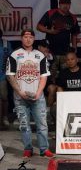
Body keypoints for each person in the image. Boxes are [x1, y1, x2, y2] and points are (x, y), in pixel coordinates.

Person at [6, 29, 54, 158]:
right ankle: (28, 148)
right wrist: (20, 92)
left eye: (31, 37)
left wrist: (39, 93)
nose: (28, 39)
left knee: (42, 124)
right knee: (24, 125)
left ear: (33, 39)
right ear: (22, 38)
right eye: (25, 37)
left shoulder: (40, 55)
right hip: (20, 97)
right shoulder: (14, 55)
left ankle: (44, 149)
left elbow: (44, 76)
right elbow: (10, 76)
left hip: (37, 97)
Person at [37, 0, 80, 72]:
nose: (65, 6)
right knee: (51, 73)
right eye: (63, 4)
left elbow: (74, 34)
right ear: (59, 5)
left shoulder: (72, 17)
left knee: (66, 73)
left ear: (70, 5)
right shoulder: (50, 13)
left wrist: (74, 49)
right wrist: (50, 31)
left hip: (65, 52)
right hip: (51, 51)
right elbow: (39, 26)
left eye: (67, 4)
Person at [37, 40, 57, 109]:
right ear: (39, 47)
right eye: (44, 46)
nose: (46, 49)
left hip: (46, 81)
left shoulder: (51, 57)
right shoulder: (33, 55)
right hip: (35, 81)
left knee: (53, 88)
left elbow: (53, 72)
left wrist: (47, 58)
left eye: (47, 47)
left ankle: (48, 111)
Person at [0, 29, 12, 130]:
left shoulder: (6, 44)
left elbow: (11, 58)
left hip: (2, 76)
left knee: (4, 97)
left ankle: (4, 117)